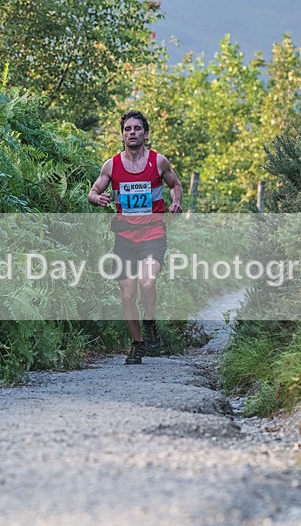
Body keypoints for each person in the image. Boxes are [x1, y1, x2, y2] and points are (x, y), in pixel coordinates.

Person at [88, 110, 183, 365]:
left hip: (153, 233)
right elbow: (93, 192)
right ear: (122, 135)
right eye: (128, 129)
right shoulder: (112, 165)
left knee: (148, 282)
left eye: (137, 129)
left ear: (145, 134)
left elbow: (176, 185)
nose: (132, 132)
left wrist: (176, 202)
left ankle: (150, 320)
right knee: (127, 294)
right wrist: (98, 198)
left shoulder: (158, 162)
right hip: (125, 238)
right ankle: (137, 344)